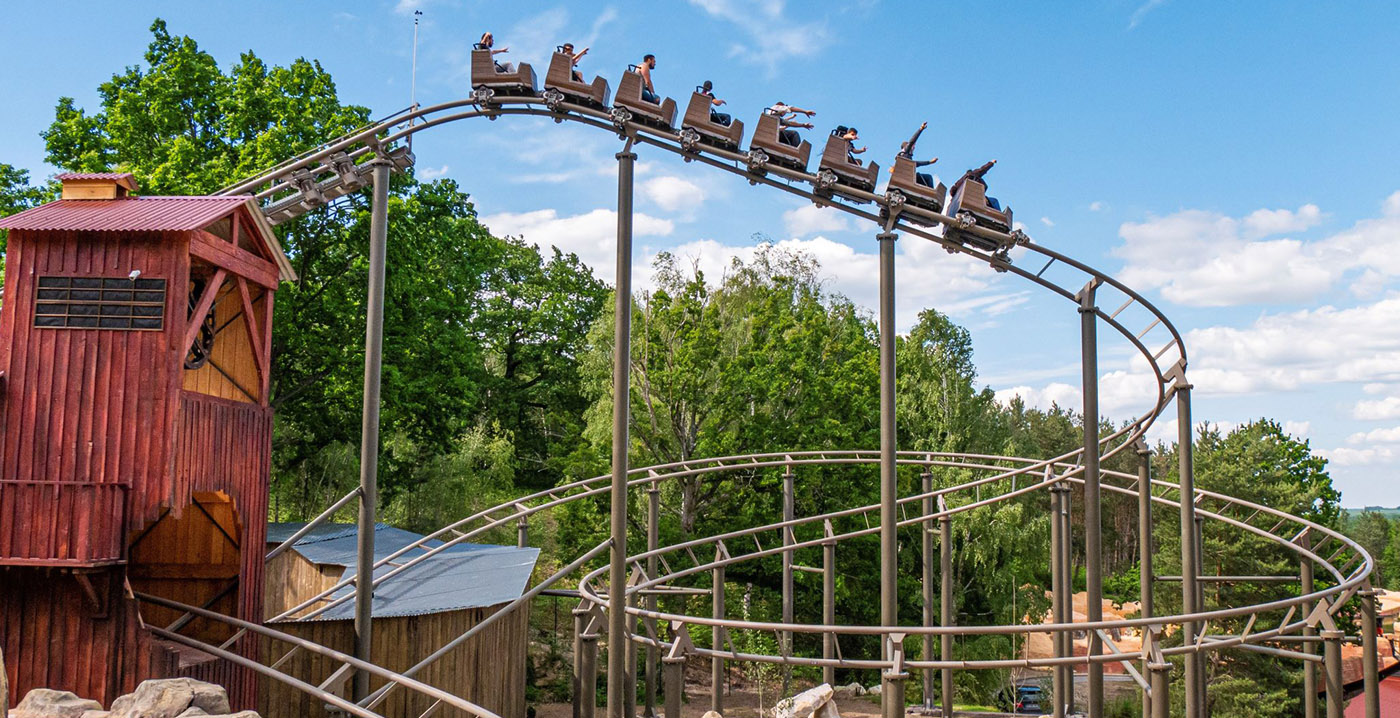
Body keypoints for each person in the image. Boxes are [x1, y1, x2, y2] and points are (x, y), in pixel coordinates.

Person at [898, 121, 938, 187]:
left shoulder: (905, 157)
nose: (914, 148)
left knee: (925, 179)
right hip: (907, 178)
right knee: (929, 177)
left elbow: (917, 163)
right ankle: (931, 195)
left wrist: (930, 162)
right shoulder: (904, 153)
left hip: (907, 177)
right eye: (913, 146)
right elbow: (912, 141)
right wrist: (921, 129)